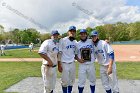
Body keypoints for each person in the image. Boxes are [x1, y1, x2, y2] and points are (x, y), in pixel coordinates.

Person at [58, 26, 77, 93]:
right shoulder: (62, 40)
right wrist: (59, 65)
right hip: (64, 63)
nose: (72, 32)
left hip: (72, 63)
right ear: (68, 32)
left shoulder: (75, 42)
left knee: (72, 80)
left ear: (75, 32)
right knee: (64, 81)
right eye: (71, 31)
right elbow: (59, 53)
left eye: (73, 31)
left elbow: (76, 53)